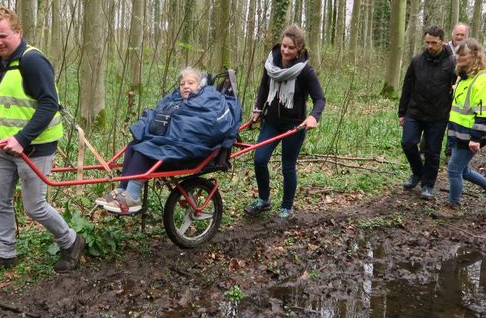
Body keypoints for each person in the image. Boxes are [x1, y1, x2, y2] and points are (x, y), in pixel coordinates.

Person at [0, 6, 85, 273]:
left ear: (18, 32)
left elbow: (49, 104)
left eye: (4, 36)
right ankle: (5, 254)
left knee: (34, 206)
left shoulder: (33, 61)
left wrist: (22, 139)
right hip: (4, 144)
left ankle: (71, 241)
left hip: (35, 145)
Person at [96, 68, 241, 213]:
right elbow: (158, 117)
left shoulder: (207, 100)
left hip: (192, 149)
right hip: (173, 144)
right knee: (133, 145)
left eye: (190, 82)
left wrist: (163, 133)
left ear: (200, 85)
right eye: (182, 83)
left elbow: (197, 127)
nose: (185, 86)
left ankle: (133, 197)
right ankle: (123, 190)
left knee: (147, 149)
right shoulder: (176, 100)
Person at [245, 25, 326, 220]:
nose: (286, 51)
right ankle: (264, 200)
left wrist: (313, 116)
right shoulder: (270, 64)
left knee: (287, 166)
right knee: (259, 159)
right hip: (272, 121)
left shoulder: (305, 71)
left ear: (299, 49)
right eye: (284, 46)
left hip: (295, 125)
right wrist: (257, 109)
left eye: (291, 48)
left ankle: (287, 207)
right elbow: (264, 87)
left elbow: (320, 99)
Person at [446, 38, 486, 212]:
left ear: (475, 56)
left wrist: (475, 138)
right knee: (462, 169)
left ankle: (453, 206)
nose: (458, 59)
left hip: (473, 133)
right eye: (457, 55)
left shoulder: (485, 80)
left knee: (453, 170)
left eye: (463, 56)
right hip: (462, 132)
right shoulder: (466, 77)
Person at [398, 26, 456, 200]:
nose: (430, 46)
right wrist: (402, 112)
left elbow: (459, 87)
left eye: (434, 43)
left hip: (438, 115)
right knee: (408, 143)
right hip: (414, 112)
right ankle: (417, 173)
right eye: (427, 42)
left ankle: (428, 185)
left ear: (442, 42)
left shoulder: (452, 62)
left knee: (432, 152)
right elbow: (407, 86)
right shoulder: (417, 61)